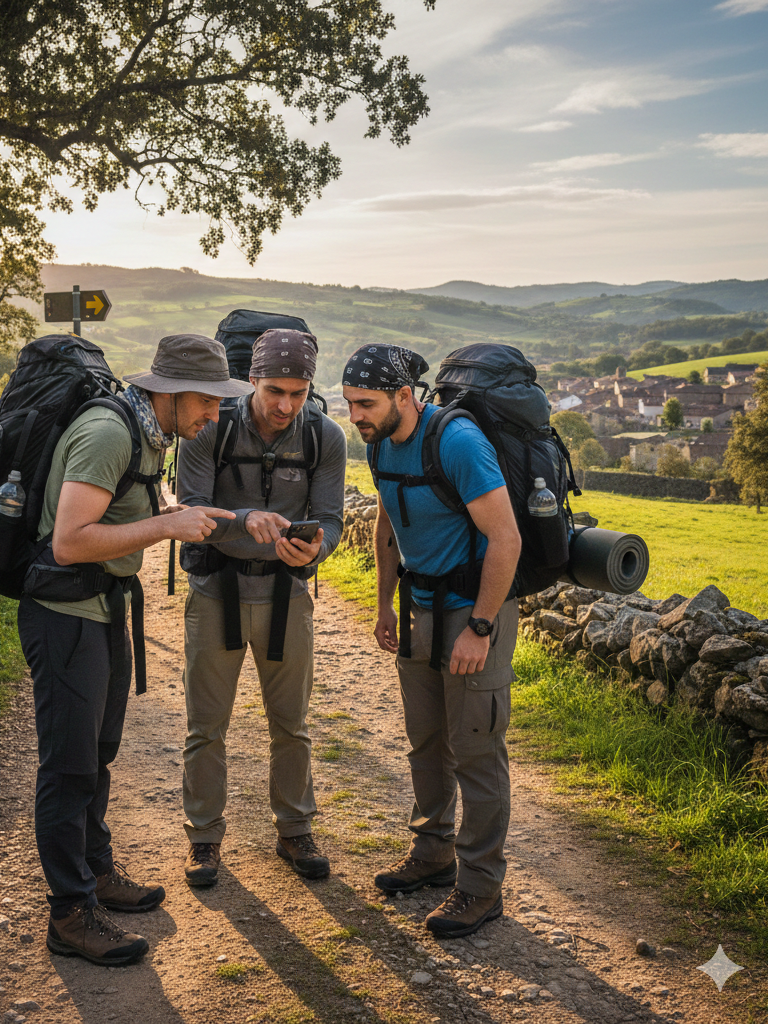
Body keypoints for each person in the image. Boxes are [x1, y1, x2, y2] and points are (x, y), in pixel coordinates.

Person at [17, 334, 253, 966]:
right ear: (172, 392)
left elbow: (150, 507)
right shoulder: (109, 432)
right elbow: (68, 540)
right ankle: (69, 913)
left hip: (103, 608)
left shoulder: (148, 433)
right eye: (208, 402)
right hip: (65, 614)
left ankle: (95, 873)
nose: (213, 416)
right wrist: (166, 528)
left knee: (98, 753)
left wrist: (239, 520)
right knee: (68, 769)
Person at [342, 344, 521, 938]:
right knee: (426, 740)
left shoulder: (458, 443)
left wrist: (481, 627)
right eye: (348, 405)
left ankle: (480, 887)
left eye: (365, 403)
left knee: (475, 750)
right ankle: (433, 852)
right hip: (420, 610)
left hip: (475, 611)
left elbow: (506, 539)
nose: (356, 416)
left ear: (404, 396)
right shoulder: (376, 444)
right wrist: (385, 602)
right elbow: (390, 522)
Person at [176, 329, 347, 886]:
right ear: (251, 380)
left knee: (292, 725)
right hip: (216, 593)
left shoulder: (325, 438)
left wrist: (319, 545)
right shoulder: (210, 430)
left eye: (298, 393)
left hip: (287, 597)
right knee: (207, 726)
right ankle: (204, 840)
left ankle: (295, 830)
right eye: (274, 390)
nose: (285, 406)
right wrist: (243, 518)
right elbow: (192, 512)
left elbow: (332, 519)